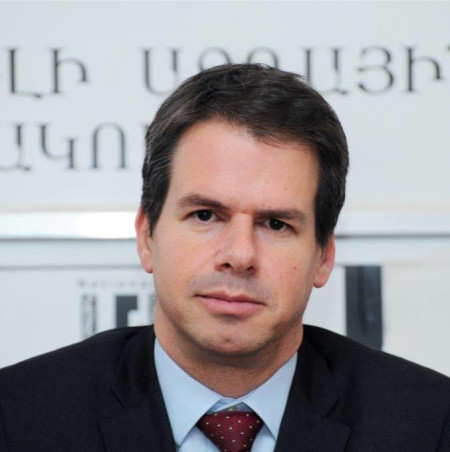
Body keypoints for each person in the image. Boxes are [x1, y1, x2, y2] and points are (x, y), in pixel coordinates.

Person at [0, 64, 449, 452]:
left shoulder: (429, 425)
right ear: (146, 235)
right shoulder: (19, 418)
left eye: (276, 224)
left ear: (323, 257)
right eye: (205, 215)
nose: (239, 255)